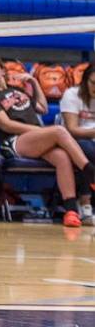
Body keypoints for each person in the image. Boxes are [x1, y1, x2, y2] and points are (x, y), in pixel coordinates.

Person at [0, 56, 95, 228]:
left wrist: (34, 82)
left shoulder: (18, 91)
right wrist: (41, 132)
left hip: (35, 139)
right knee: (59, 131)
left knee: (62, 157)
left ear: (3, 71)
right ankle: (89, 171)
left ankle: (71, 211)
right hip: (12, 142)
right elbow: (7, 124)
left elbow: (43, 108)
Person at [59, 62, 95, 225]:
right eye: (93, 83)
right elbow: (72, 130)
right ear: (85, 80)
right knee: (87, 149)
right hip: (74, 141)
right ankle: (85, 204)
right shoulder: (72, 94)